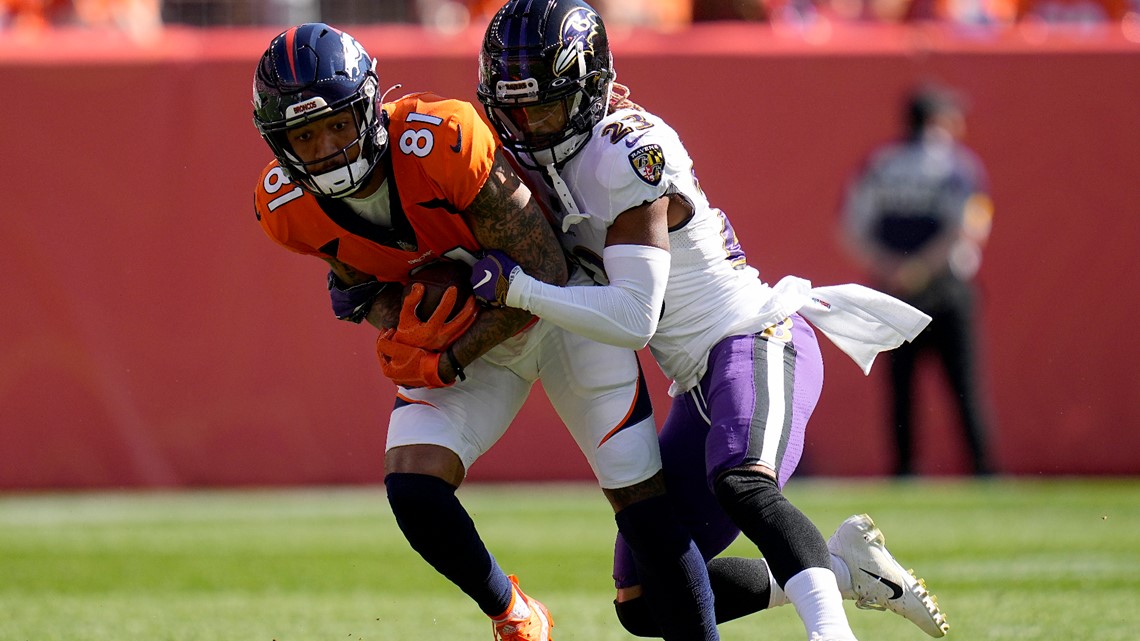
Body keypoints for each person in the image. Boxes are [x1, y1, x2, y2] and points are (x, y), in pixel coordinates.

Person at [472, 1, 949, 639]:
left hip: (754, 337)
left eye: (546, 106)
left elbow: (635, 318)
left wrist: (521, 291)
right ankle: (844, 569)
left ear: (589, 88)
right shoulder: (538, 160)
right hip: (696, 383)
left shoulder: (629, 151)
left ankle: (831, 632)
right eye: (514, 109)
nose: (528, 125)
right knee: (646, 597)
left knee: (741, 480)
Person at [251, 23, 718, 641]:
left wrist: (447, 357)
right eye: (305, 136)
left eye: (337, 123)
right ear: (278, 143)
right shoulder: (285, 209)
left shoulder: (441, 139)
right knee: (414, 489)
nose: (329, 147)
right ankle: (513, 614)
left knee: (641, 510)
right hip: (477, 338)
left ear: (368, 105)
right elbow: (363, 283)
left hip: (558, 313)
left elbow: (545, 267)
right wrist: (399, 323)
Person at [840, 83, 996, 477]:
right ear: (938, 120)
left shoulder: (879, 163)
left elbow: (850, 227)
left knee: (900, 389)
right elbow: (969, 226)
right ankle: (982, 469)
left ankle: (905, 471)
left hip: (892, 290)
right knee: (964, 385)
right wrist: (924, 266)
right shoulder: (959, 165)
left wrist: (892, 266)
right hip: (947, 286)